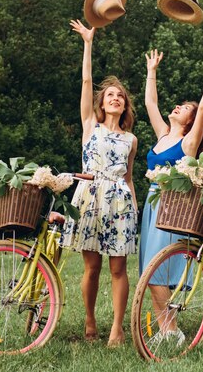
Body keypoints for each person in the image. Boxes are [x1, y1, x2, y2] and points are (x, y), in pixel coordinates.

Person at [139, 48, 203, 342]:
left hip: (173, 206)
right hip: (152, 206)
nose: (179, 106)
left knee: (160, 271)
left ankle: (170, 330)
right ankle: (167, 330)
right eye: (179, 104)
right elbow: (150, 103)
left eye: (185, 107)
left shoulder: (188, 143)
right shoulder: (163, 135)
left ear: (192, 121)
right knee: (147, 271)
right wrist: (151, 70)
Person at [60, 19, 138, 347]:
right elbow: (87, 80)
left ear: (125, 105)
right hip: (89, 197)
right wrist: (88, 44)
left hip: (119, 202)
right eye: (110, 95)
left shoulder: (131, 139)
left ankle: (118, 329)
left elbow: (130, 178)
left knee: (118, 268)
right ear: (101, 102)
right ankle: (90, 320)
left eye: (120, 96)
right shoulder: (90, 124)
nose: (115, 98)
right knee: (92, 267)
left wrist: (134, 208)